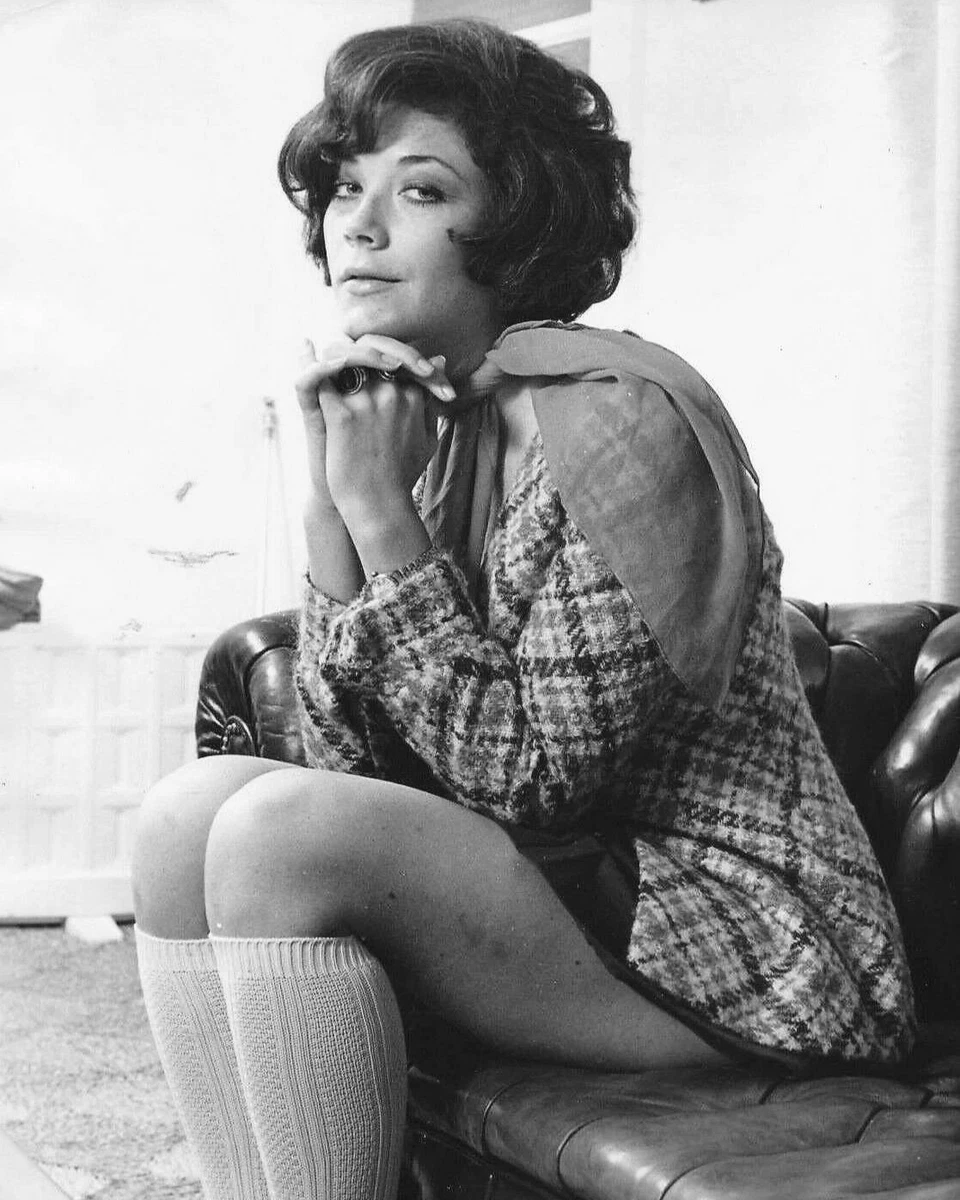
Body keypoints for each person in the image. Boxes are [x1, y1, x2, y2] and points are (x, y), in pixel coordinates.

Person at [131, 18, 915, 1200]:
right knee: (186, 814)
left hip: (750, 939)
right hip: (581, 891)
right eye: (344, 187)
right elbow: (352, 768)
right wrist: (333, 500)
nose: (358, 224)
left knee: (274, 828)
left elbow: (532, 782)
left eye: (421, 189)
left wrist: (378, 512)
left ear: (516, 221)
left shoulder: (613, 418)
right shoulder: (431, 424)